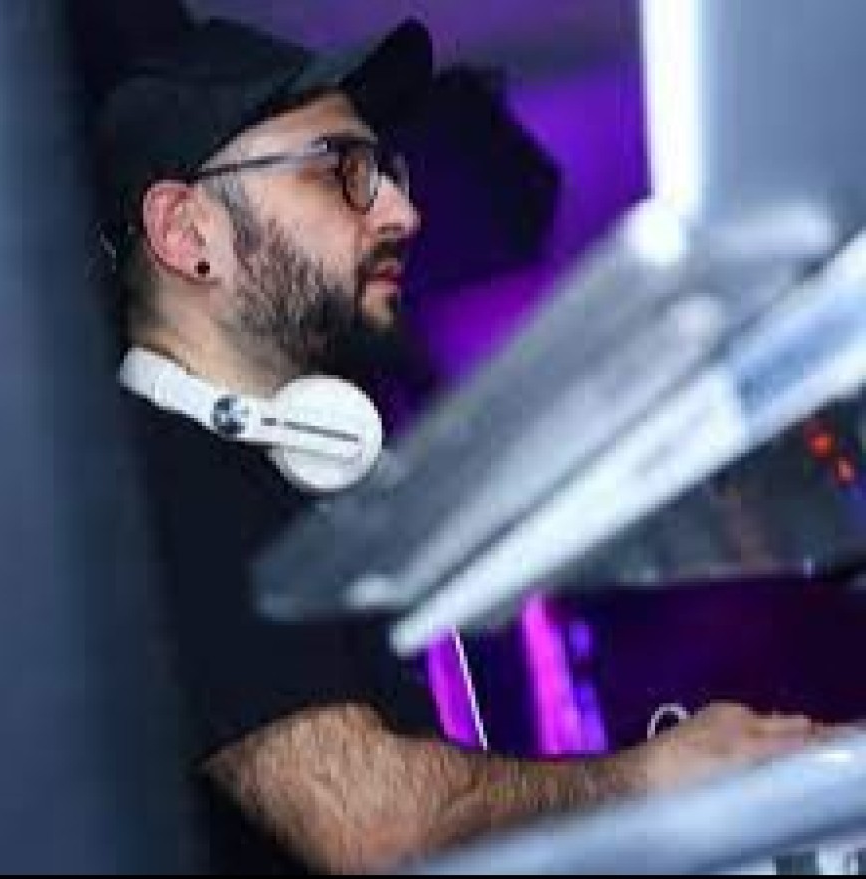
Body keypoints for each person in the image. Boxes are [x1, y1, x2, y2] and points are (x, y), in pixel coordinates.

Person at [93, 15, 834, 875]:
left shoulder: (281, 471)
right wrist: (650, 778)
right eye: (342, 170)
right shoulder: (157, 479)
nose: (403, 211)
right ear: (188, 234)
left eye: (387, 170)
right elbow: (375, 828)